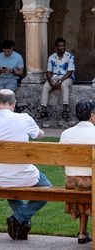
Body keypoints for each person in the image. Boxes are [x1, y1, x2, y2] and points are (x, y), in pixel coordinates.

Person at [0, 89, 51, 241]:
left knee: (9, 185)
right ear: (13, 104)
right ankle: (19, 218)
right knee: (48, 189)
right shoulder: (24, 118)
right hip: (25, 176)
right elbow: (39, 134)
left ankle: (21, 221)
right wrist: (39, 132)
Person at [60, 99, 95, 244]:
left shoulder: (66, 133)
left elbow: (61, 162)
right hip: (91, 181)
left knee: (81, 183)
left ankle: (82, 232)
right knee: (88, 182)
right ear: (92, 115)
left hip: (71, 182)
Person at [40, 37, 75, 119]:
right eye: (60, 46)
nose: (62, 48)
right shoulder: (52, 57)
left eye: (63, 46)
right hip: (55, 77)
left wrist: (59, 81)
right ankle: (43, 110)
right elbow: (48, 72)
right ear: (56, 47)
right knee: (45, 86)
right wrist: (51, 81)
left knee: (64, 85)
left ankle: (65, 110)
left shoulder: (69, 56)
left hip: (67, 78)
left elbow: (70, 72)